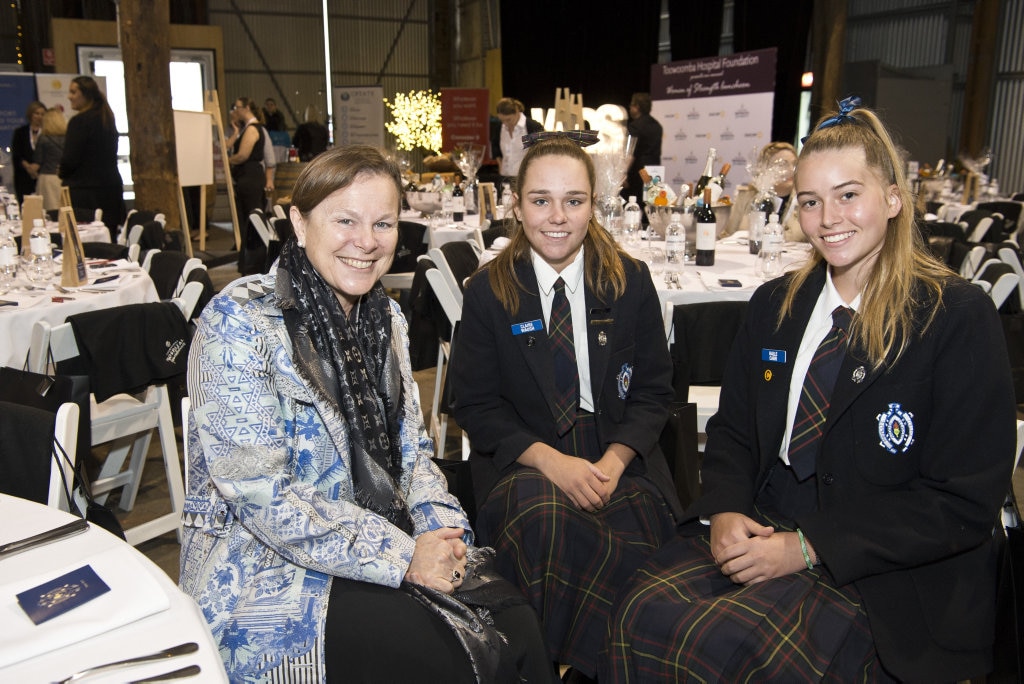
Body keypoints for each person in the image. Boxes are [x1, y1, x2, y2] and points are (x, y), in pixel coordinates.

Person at [601, 99, 1017, 682]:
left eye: (849, 194)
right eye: (811, 201)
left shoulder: (954, 317)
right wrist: (724, 507)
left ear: (893, 198)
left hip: (883, 569)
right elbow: (732, 431)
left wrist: (809, 546)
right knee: (638, 614)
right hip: (771, 522)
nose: (829, 218)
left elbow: (962, 501)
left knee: (721, 650)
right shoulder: (777, 305)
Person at [179, 144, 557, 684]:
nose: (366, 241)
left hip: (381, 537)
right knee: (440, 656)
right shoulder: (240, 322)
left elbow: (414, 456)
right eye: (345, 220)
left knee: (516, 621)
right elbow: (260, 493)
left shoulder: (388, 320)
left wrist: (445, 535)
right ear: (298, 222)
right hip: (261, 571)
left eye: (383, 222)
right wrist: (404, 557)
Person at [450, 136, 683, 679]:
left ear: (593, 205)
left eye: (574, 201)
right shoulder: (488, 291)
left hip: (615, 451)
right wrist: (555, 464)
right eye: (541, 200)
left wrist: (614, 461)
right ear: (516, 206)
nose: (557, 217)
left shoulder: (629, 281)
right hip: (527, 456)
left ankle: (583, 668)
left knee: (637, 540)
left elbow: (654, 393)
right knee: (545, 526)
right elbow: (477, 407)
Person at [59, 76, 125, 239]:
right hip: (110, 190)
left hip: (85, 194)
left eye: (73, 92)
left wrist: (61, 172)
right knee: (108, 240)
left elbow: (70, 159)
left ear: (86, 94)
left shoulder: (80, 122)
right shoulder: (107, 118)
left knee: (86, 245)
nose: (69, 96)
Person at [725, 141, 806, 242]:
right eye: (782, 164)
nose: (791, 170)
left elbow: (800, 237)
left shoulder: (803, 199)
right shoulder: (747, 196)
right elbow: (729, 234)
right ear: (765, 167)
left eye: (794, 164)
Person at [226, 96, 267, 274]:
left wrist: (229, 160)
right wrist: (235, 130)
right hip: (247, 178)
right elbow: (227, 145)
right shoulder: (245, 129)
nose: (235, 111)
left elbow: (243, 155)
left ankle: (253, 262)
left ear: (246, 108)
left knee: (252, 220)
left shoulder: (252, 129)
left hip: (250, 177)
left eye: (237, 107)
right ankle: (247, 262)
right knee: (246, 220)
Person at [491, 98, 544, 184]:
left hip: (526, 179)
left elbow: (541, 153)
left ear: (517, 112)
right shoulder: (499, 128)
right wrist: (500, 164)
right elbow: (495, 147)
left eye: (508, 120)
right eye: (502, 120)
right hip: (504, 177)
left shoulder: (533, 127)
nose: (505, 124)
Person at [623, 93, 662, 205]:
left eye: (631, 105)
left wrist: (623, 173)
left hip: (637, 174)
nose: (630, 108)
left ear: (637, 107)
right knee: (651, 204)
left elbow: (630, 153)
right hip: (655, 172)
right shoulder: (657, 126)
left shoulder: (635, 126)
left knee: (633, 204)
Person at [10, 101, 45, 206]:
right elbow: (16, 154)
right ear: (31, 114)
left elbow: (50, 154)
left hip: (41, 175)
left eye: (42, 114)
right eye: (36, 113)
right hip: (23, 177)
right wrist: (28, 167)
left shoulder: (47, 132)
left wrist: (37, 166)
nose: (39, 116)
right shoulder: (20, 132)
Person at [34, 108, 67, 212]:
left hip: (47, 178)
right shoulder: (68, 138)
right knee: (64, 210)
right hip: (63, 177)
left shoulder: (43, 138)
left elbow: (38, 161)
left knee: (48, 212)